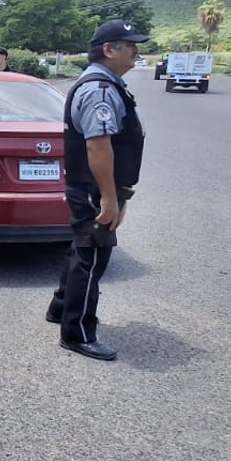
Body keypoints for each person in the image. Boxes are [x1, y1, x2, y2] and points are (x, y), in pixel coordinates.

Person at [45, 19, 149, 361]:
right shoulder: (99, 90)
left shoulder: (107, 84)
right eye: (129, 44)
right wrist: (108, 197)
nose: (136, 49)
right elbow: (98, 147)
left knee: (83, 249)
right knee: (92, 258)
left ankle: (62, 308)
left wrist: (120, 193)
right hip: (93, 189)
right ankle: (77, 333)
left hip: (97, 188)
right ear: (109, 49)